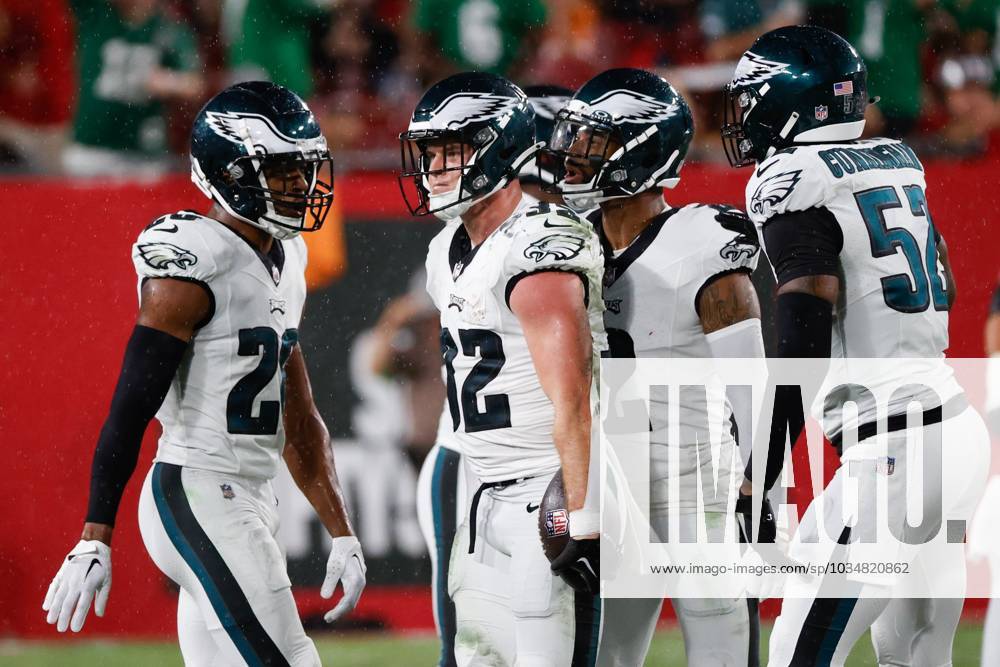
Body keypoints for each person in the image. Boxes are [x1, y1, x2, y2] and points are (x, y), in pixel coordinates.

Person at [42, 81, 366, 666]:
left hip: (249, 493)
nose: (301, 184)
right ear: (232, 173)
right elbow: (130, 405)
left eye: (304, 168)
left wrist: (340, 528)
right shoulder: (192, 260)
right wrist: (95, 534)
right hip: (195, 488)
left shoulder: (286, 256)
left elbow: (299, 413)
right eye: (283, 170)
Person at [723, 25, 990, 666]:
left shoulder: (795, 178)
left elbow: (806, 328)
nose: (745, 117)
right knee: (913, 652)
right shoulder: (896, 159)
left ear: (792, 103)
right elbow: (942, 278)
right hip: (952, 430)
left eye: (754, 99)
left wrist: (761, 474)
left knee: (798, 654)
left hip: (895, 452)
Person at [545, 67, 768, 667]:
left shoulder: (700, 241)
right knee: (606, 654)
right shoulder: (566, 242)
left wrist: (762, 481)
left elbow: (752, 384)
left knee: (720, 649)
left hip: (698, 474)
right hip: (613, 479)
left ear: (640, 147)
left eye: (594, 139)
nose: (572, 152)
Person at [400, 71, 605, 666]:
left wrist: (585, 513)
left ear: (499, 150)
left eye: (452, 151)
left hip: (550, 490)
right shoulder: (446, 249)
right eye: (430, 153)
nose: (433, 168)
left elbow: (573, 397)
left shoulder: (537, 245)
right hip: (483, 491)